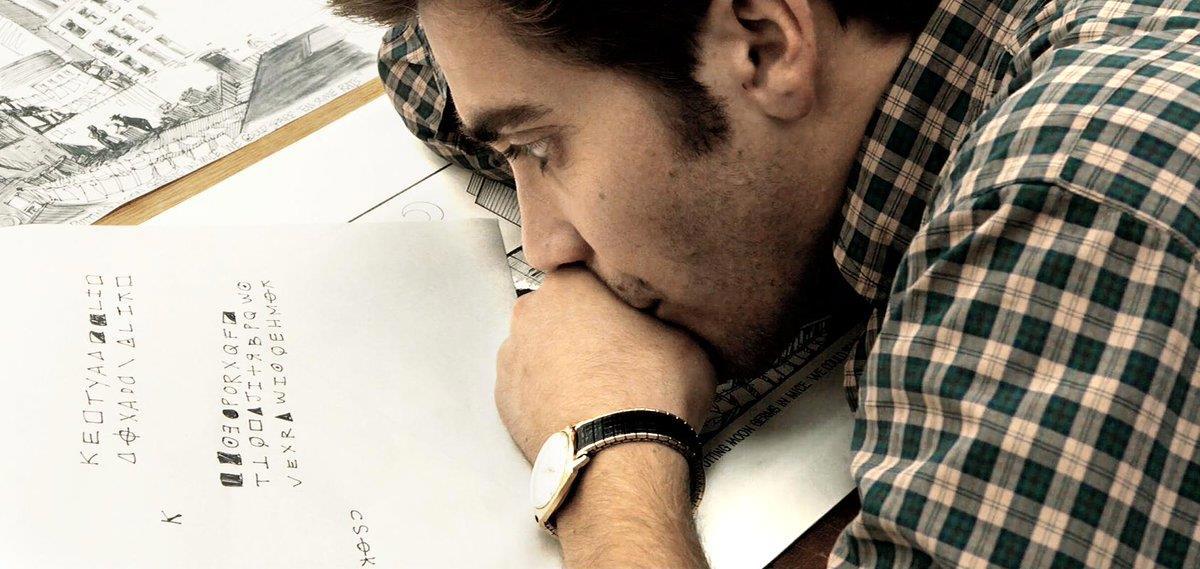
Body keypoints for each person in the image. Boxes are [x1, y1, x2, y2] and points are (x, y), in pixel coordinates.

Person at [330, 0, 1200, 567]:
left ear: (769, 45)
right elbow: (433, 61)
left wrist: (608, 451)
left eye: (539, 148)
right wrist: (532, 118)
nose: (549, 246)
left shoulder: (1089, 210)